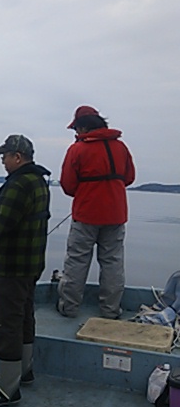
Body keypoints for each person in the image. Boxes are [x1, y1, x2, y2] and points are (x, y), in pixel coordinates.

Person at [0, 134, 50, 407]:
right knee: (24, 318)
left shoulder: (18, 185)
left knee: (5, 323)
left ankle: (8, 389)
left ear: (17, 157)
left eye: (5, 156)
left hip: (11, 268)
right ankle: (24, 372)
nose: (2, 161)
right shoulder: (39, 181)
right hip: (31, 266)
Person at [57, 106, 135, 319]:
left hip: (86, 215)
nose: (76, 133)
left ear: (83, 127)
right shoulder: (121, 147)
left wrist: (87, 190)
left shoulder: (77, 149)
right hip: (116, 215)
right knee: (112, 262)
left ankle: (69, 308)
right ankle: (111, 310)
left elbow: (68, 185)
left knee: (77, 261)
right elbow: (129, 178)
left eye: (76, 129)